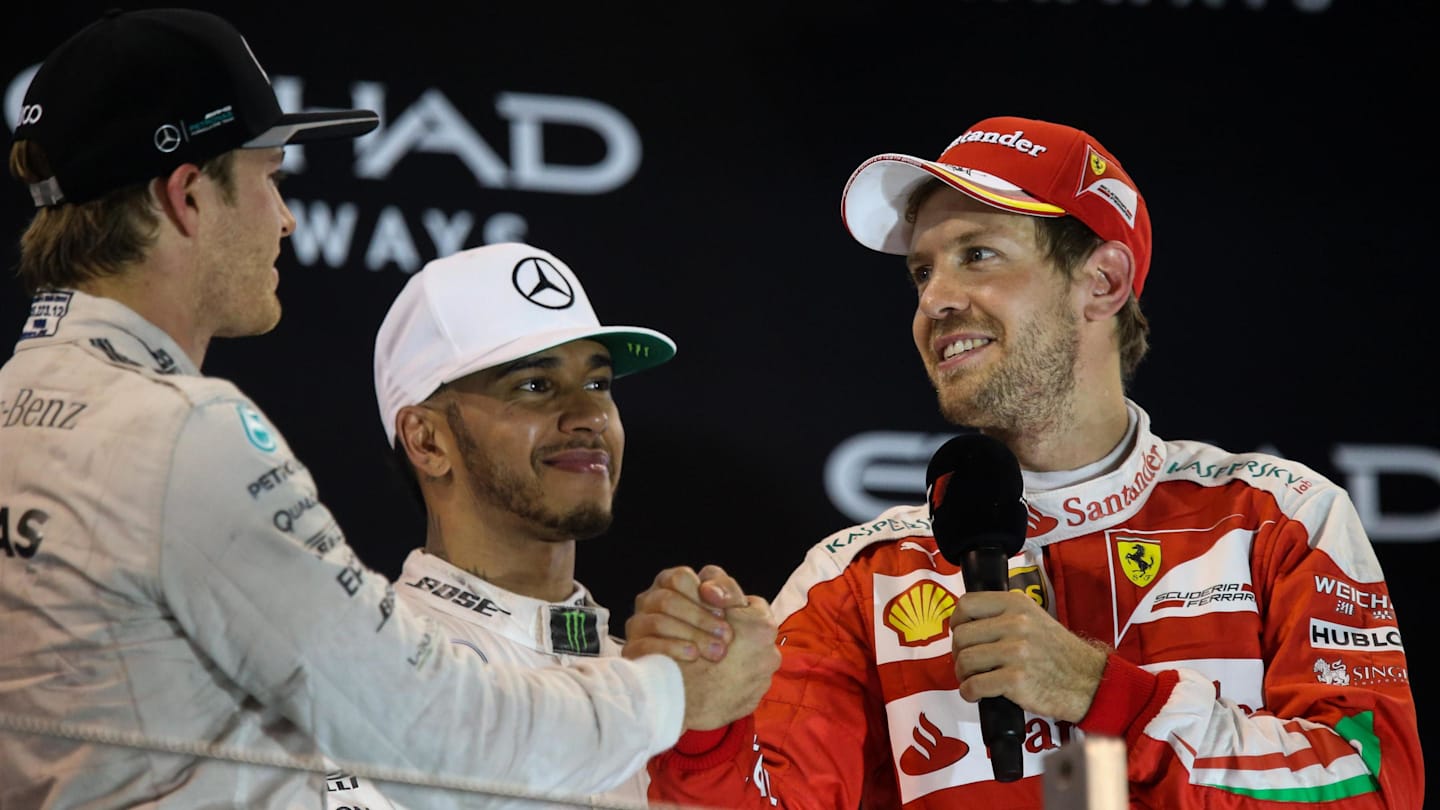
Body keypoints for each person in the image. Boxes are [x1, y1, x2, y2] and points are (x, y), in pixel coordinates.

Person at [0, 9, 773, 808]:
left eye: (600, 381)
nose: (286, 219)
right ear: (190, 197)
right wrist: (674, 694)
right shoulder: (179, 433)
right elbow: (428, 727)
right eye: (271, 179)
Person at [642, 116, 1424, 808]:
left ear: (1104, 282)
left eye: (977, 255)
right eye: (923, 271)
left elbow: (1370, 783)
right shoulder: (854, 578)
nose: (935, 300)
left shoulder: (1277, 517)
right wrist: (707, 727)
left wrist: (1103, 692)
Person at [320, 242, 782, 809]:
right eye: (535, 386)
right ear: (426, 439)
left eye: (599, 384)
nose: (589, 417)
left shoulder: (672, 691)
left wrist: (711, 737)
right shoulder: (366, 675)